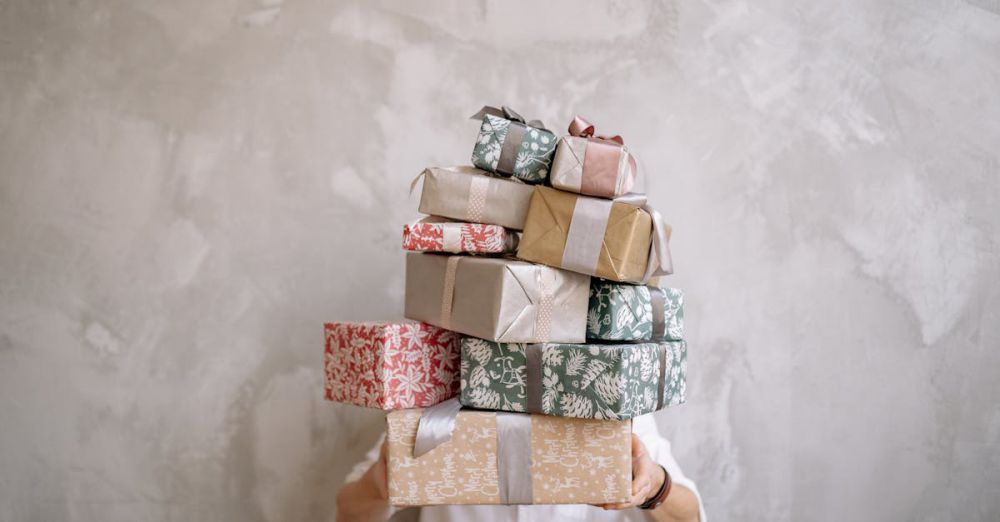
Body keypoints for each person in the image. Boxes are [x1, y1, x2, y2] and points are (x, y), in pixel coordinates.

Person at [336, 413, 705, 521]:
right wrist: (385, 481)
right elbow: (349, 512)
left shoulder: (612, 405)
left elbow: (693, 518)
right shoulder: (436, 405)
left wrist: (654, 485)